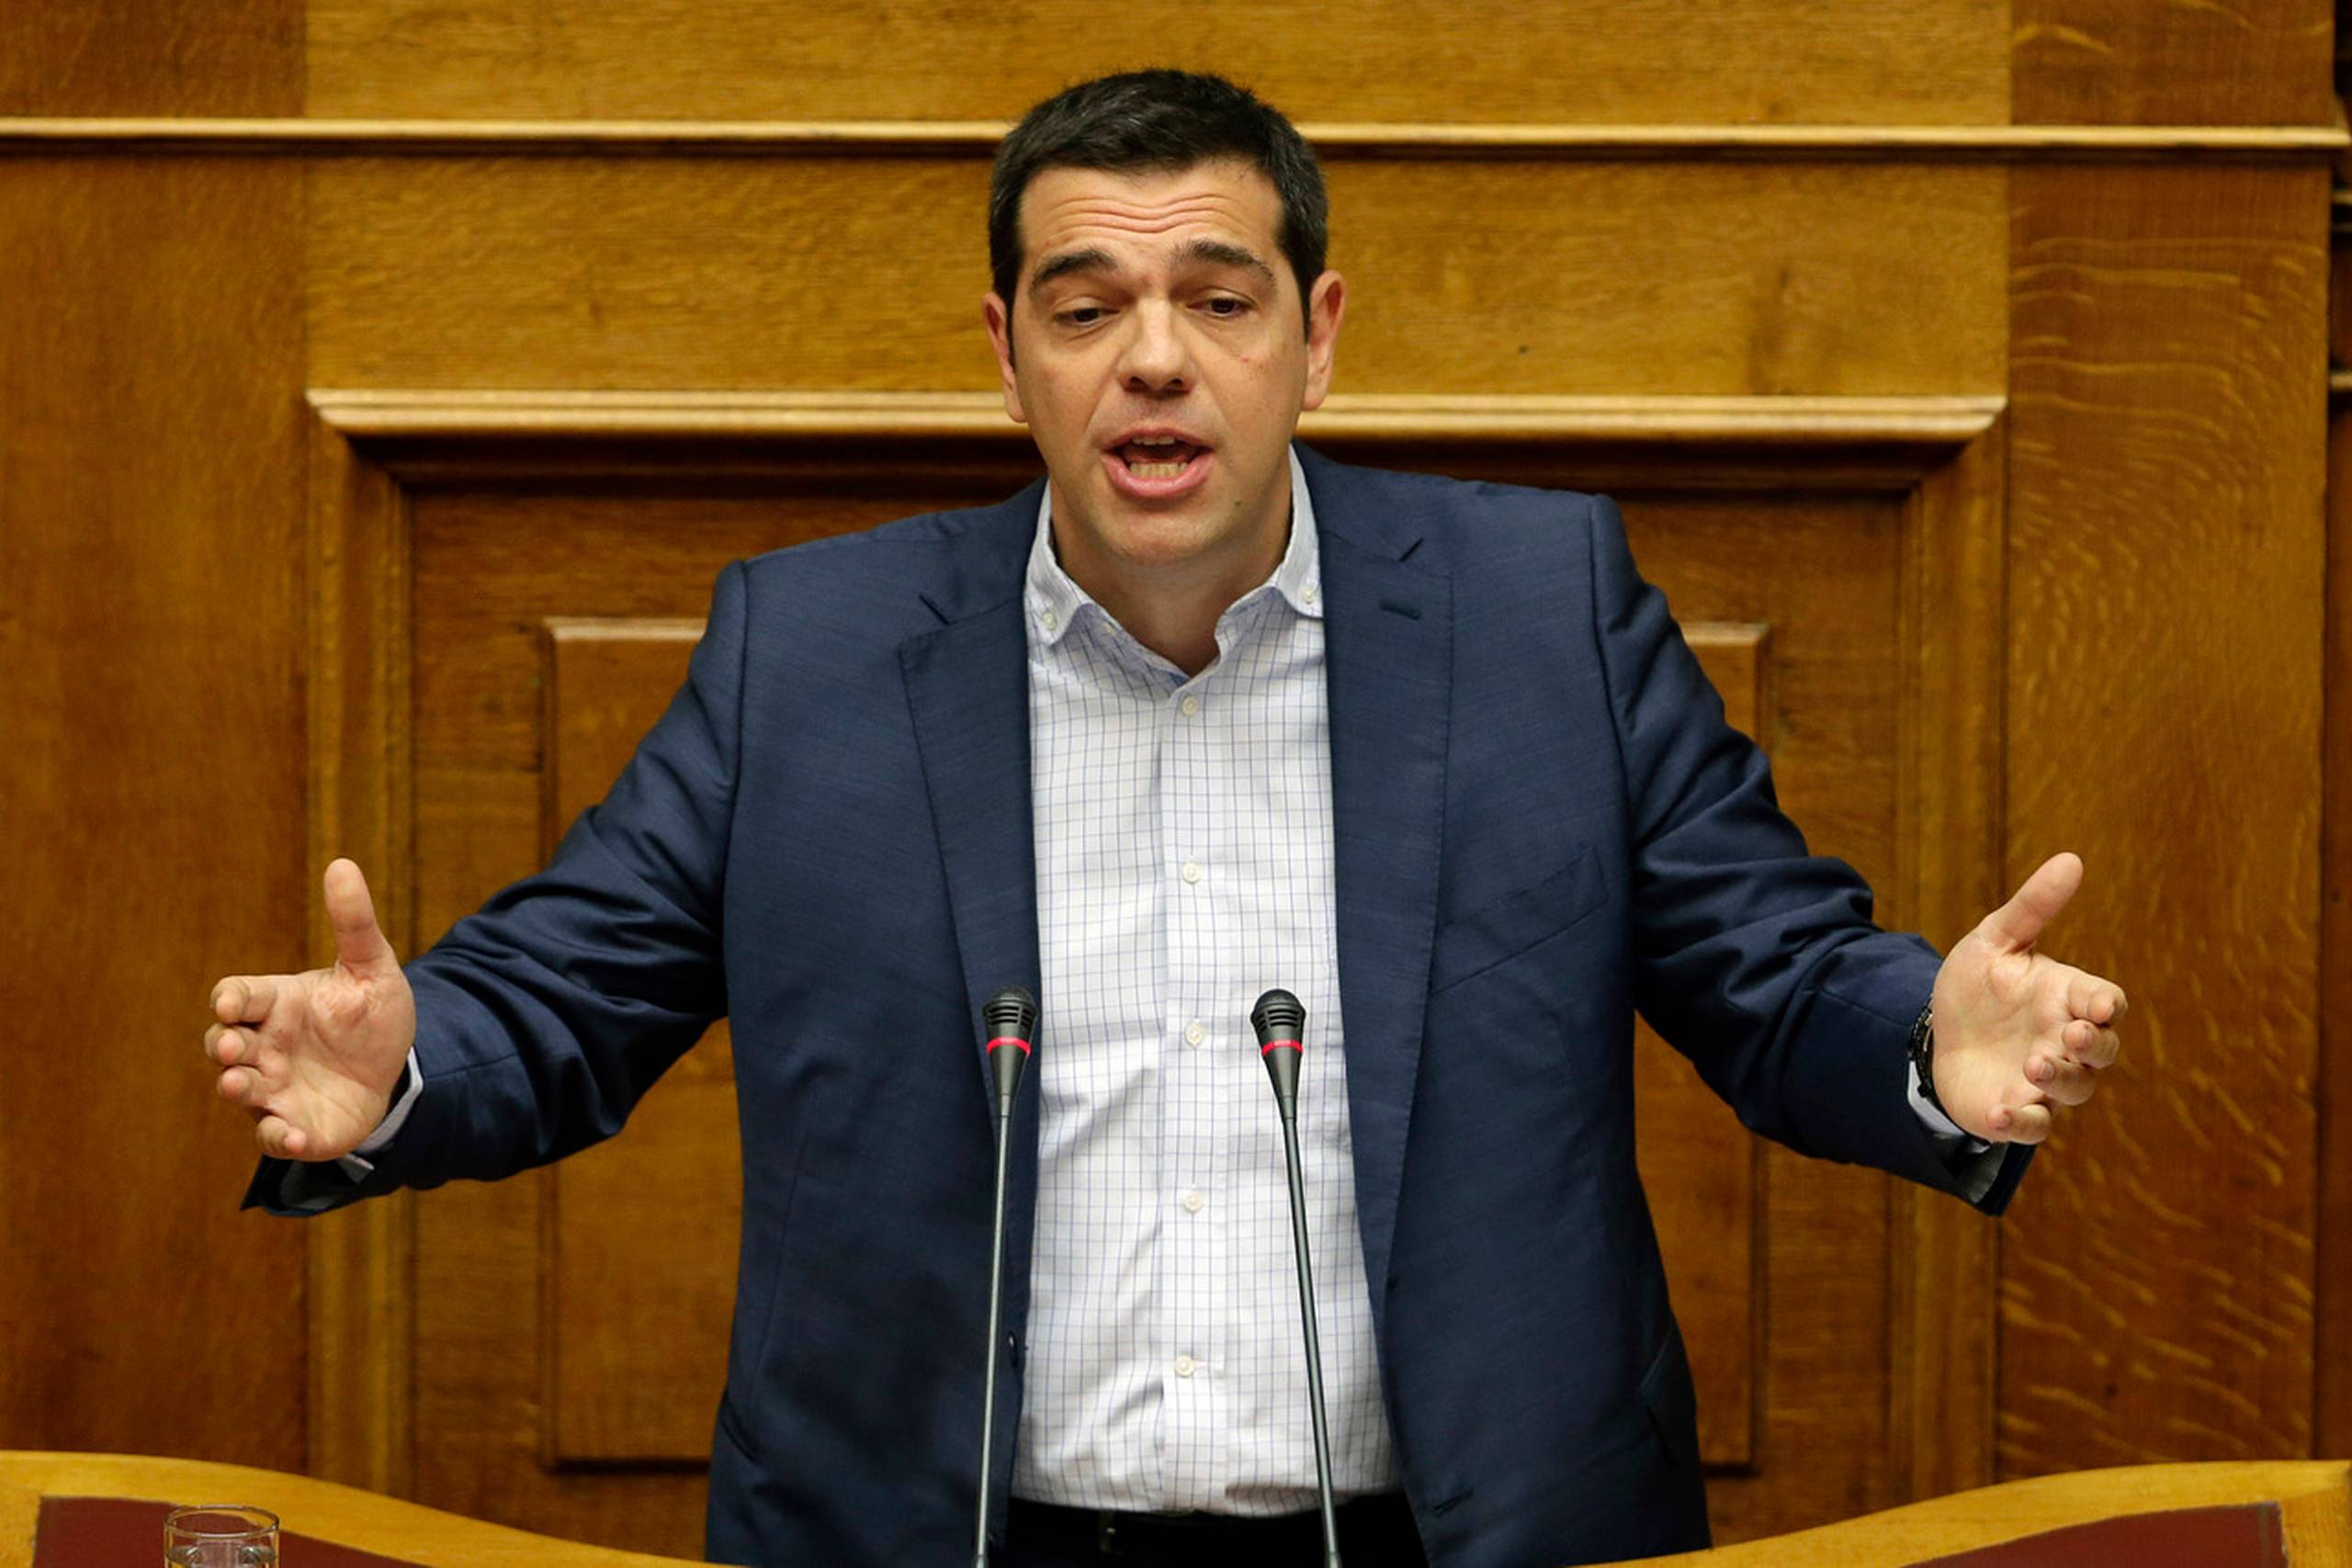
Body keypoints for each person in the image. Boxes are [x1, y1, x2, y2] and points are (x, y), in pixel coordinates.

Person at [203, 70, 2128, 1568]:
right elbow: (570, 987)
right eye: (1086, 302)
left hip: (1448, 1529)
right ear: (1006, 352)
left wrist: (1921, 1045)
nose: (1153, 354)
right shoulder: (817, 648)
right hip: (952, 1531)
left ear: (1315, 334)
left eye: (1218, 296)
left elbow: (1769, 969)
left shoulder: (1537, 612)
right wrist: (406, 1069)